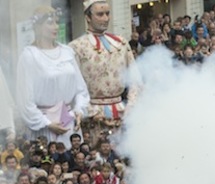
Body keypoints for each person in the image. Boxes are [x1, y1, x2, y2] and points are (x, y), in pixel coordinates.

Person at [69, 0, 140, 147]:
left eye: (107, 13)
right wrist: (89, 111)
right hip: (91, 117)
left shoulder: (121, 42)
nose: (106, 18)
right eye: (100, 14)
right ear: (88, 17)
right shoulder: (76, 47)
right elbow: (71, 88)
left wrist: (130, 107)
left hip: (122, 113)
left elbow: (136, 79)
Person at [16, 7, 89, 145]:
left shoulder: (67, 52)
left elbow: (81, 90)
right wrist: (47, 123)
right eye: (50, 23)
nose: (55, 27)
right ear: (38, 26)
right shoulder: (30, 56)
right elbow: (25, 100)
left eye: (56, 22)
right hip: (45, 126)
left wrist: (78, 110)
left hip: (69, 121)